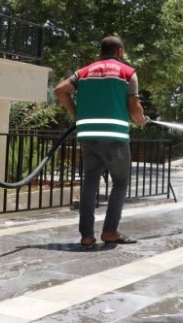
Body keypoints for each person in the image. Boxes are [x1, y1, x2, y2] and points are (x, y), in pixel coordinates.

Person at [54, 36, 146, 249]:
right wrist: (141, 120)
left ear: (101, 51)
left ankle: (87, 236)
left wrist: (77, 114)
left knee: (90, 183)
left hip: (88, 136)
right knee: (120, 183)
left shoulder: (84, 72)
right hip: (115, 137)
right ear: (120, 52)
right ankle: (110, 231)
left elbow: (60, 90)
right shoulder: (127, 73)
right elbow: (134, 108)